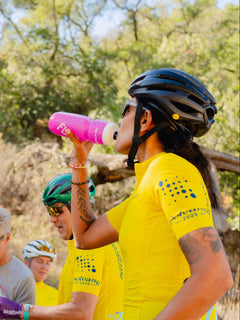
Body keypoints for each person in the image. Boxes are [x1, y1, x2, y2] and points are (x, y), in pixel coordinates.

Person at [65, 68, 233, 319]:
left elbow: (215, 277)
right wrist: (79, 164)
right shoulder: (145, 189)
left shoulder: (170, 170)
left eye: (126, 110)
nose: (119, 119)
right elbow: (85, 238)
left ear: (144, 120)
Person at [0, 174, 124, 320]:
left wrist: (20, 310)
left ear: (79, 207)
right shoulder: (102, 243)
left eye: (56, 211)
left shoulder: (89, 248)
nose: (52, 219)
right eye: (50, 212)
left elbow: (82, 312)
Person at [22, 240, 58, 306]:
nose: (44, 267)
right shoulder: (16, 289)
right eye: (40, 262)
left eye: (47, 263)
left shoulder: (55, 293)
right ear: (26, 262)